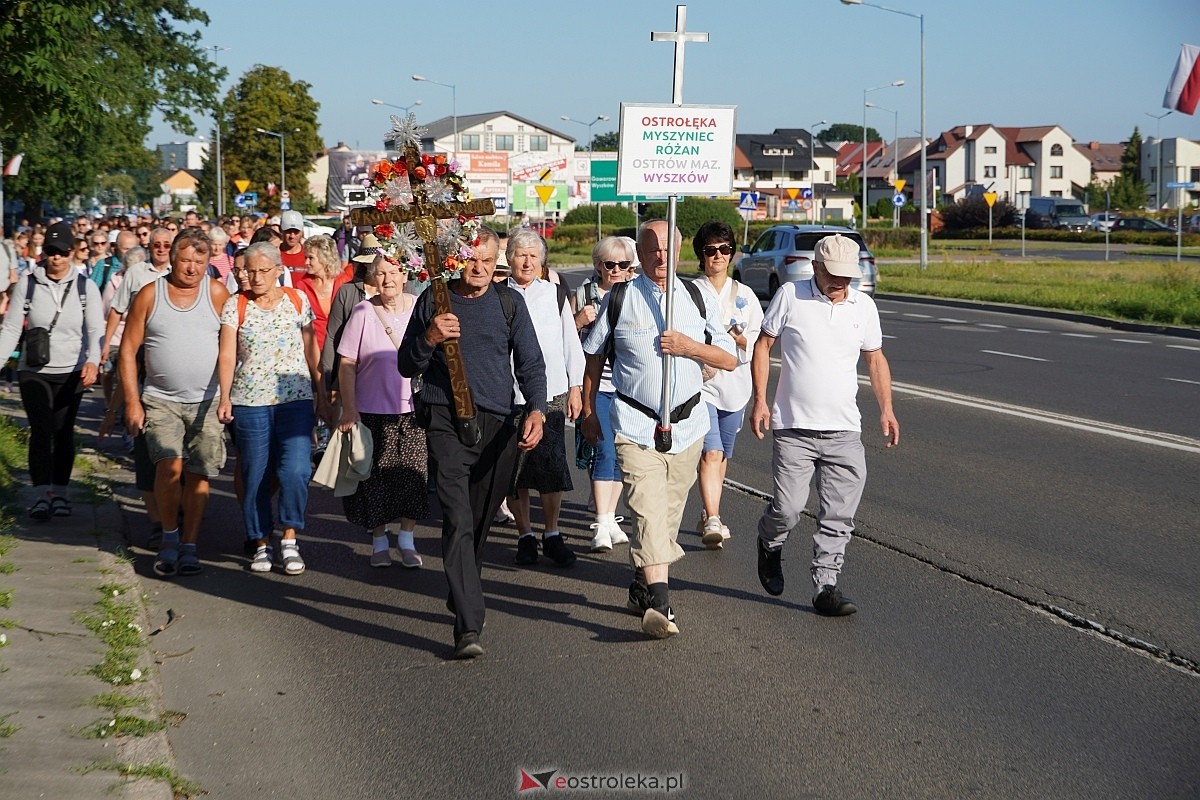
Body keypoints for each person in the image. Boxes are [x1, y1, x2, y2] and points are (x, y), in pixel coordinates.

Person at [581, 221, 736, 639]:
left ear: (681, 252)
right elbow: (593, 355)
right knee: (647, 509)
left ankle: (640, 584)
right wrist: (589, 408)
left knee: (665, 518)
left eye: (668, 249)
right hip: (635, 423)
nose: (661, 257)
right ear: (640, 254)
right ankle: (661, 606)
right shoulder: (620, 297)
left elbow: (729, 358)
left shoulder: (697, 297)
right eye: (652, 249)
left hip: (687, 426)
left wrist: (689, 347)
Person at [398, 226, 547, 660]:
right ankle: (468, 625)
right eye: (471, 259)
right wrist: (429, 337)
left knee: (481, 520)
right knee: (458, 518)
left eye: (487, 260)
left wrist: (536, 409)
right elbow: (406, 364)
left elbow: (531, 362)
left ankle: (462, 585)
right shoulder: (433, 299)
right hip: (445, 419)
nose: (479, 268)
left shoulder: (508, 302)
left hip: (497, 424)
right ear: (455, 259)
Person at [750, 233, 900, 617]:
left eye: (848, 276)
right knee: (787, 508)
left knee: (838, 515)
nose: (840, 282)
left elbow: (875, 359)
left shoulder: (863, 306)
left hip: (844, 430)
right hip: (794, 428)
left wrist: (886, 409)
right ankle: (769, 543)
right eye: (833, 273)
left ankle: (825, 587)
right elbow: (763, 346)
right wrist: (761, 400)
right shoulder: (790, 296)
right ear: (815, 266)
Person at [118, 229, 230, 577]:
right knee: (169, 466)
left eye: (199, 261)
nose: (192, 268)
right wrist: (131, 402)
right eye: (186, 260)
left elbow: (234, 345)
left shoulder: (216, 293)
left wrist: (230, 394)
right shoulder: (151, 295)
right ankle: (168, 537)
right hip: (160, 399)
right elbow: (126, 350)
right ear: (172, 259)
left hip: (206, 402)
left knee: (198, 474)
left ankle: (190, 545)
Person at [217, 243, 327, 575]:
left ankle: (290, 537)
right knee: (255, 476)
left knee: (296, 470)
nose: (255, 277)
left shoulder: (297, 301)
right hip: (249, 401)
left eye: (263, 270)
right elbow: (226, 354)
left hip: (294, 399)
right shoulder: (234, 305)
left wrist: (322, 391)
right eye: (249, 270)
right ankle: (261, 542)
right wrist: (224, 396)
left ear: (279, 270)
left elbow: (311, 348)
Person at [0, 221, 103, 519]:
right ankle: (40, 495)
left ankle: (60, 493)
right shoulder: (28, 284)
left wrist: (93, 360)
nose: (55, 258)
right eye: (50, 251)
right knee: (41, 430)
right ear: (42, 252)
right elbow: (9, 330)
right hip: (34, 370)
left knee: (63, 432)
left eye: (61, 251)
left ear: (72, 252)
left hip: (71, 371)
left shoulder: (86, 288)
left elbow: (96, 328)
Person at [336, 254, 428, 568]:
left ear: (405, 276)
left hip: (413, 410)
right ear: (373, 277)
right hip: (371, 409)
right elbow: (347, 363)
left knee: (413, 477)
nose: (387, 279)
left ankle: (407, 539)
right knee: (373, 479)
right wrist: (349, 408)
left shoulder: (419, 307)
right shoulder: (363, 311)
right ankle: (378, 541)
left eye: (393, 272)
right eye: (381, 273)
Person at [504, 229, 584, 567]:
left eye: (532, 256)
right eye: (520, 254)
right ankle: (524, 535)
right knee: (514, 471)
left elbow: (570, 342)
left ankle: (551, 533)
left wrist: (576, 386)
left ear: (541, 261)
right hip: (508, 394)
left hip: (550, 392)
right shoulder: (497, 295)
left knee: (551, 466)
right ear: (508, 258)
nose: (526, 261)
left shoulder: (554, 295)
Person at [691, 221, 763, 549]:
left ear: (732, 253)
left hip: (736, 387)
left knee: (722, 458)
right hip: (701, 384)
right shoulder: (690, 292)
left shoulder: (746, 295)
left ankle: (709, 512)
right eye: (710, 250)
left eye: (724, 249)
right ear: (701, 255)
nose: (717, 255)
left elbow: (761, 342)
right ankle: (714, 517)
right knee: (712, 451)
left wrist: (739, 338)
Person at [571, 236, 635, 552]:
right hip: (597, 386)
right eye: (610, 265)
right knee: (604, 451)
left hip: (628, 388)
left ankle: (610, 519)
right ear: (599, 265)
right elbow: (565, 340)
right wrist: (577, 320)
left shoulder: (635, 293)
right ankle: (601, 521)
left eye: (624, 265)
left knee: (623, 456)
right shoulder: (584, 293)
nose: (617, 271)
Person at [279, 210, 307, 276]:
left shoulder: (309, 255)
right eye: (288, 231)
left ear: (302, 231)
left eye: (296, 231)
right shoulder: (273, 254)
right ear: (281, 230)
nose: (292, 236)